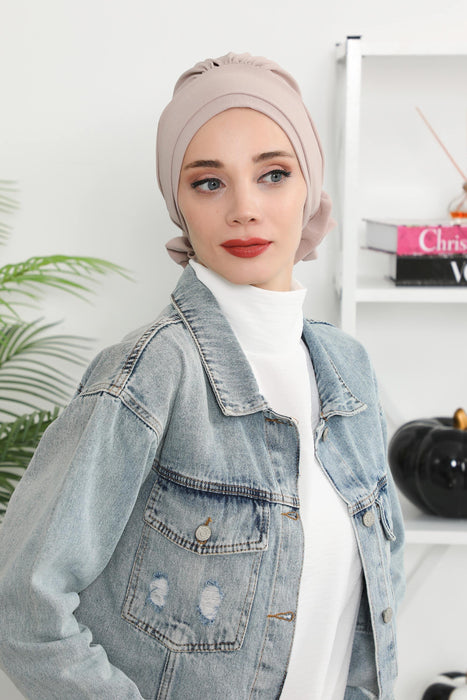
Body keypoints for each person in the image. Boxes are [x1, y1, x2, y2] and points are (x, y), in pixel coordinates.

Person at [0, 52, 404, 699]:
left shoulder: (348, 370)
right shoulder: (150, 375)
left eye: (273, 174)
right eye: (209, 183)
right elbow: (23, 606)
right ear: (179, 205)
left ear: (309, 189)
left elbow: (372, 604)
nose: (244, 208)